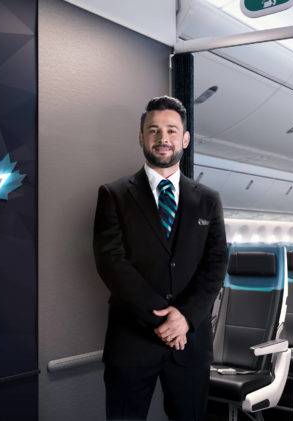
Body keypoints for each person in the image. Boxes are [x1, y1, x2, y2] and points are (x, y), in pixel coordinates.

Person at [93, 96, 228, 420]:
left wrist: (185, 317)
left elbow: (215, 265)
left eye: (171, 130)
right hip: (132, 342)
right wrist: (164, 321)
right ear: (141, 137)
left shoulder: (208, 200)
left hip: (189, 343)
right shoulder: (114, 194)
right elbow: (111, 262)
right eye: (153, 130)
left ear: (185, 138)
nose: (162, 138)